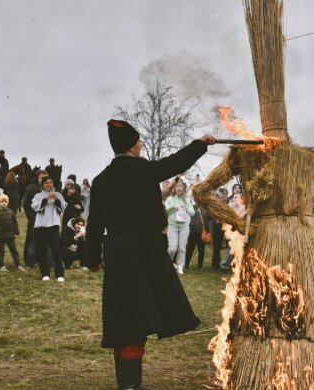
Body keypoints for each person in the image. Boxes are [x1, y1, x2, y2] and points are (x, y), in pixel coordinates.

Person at [84, 119, 212, 389]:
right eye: (139, 141)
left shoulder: (101, 180)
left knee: (124, 318)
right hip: (144, 252)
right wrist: (202, 143)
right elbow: (177, 162)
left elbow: (94, 224)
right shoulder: (142, 170)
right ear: (132, 145)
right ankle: (130, 385)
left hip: (117, 254)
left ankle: (127, 384)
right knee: (134, 320)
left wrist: (93, 259)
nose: (141, 145)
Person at [31, 176, 67, 282]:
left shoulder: (58, 194)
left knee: (56, 250)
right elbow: (35, 207)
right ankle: (45, 273)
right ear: (42, 185)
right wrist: (46, 199)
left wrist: (56, 199)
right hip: (41, 226)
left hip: (53, 226)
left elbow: (63, 207)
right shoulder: (38, 195)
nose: (48, 184)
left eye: (50, 182)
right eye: (46, 183)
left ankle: (59, 274)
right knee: (42, 250)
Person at [165, 180, 195, 275]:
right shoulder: (170, 198)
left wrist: (185, 205)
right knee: (172, 248)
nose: (179, 187)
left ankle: (180, 266)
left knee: (182, 248)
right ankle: (166, 264)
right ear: (175, 188)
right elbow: (165, 209)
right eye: (177, 186)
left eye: (181, 186)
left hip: (184, 226)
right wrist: (173, 206)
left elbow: (192, 213)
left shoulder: (186, 200)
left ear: (183, 189)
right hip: (172, 226)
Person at [0, 194, 23, 272]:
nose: (4, 203)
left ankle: (18, 264)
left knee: (14, 250)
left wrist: (16, 232)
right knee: (0, 251)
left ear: (8, 202)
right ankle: (1, 265)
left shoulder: (11, 212)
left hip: (10, 236)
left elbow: (15, 223)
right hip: (0, 236)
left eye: (5, 201)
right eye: (2, 201)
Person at [23, 169, 48, 268]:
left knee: (43, 240)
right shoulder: (31, 188)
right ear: (37, 177)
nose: (43, 180)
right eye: (42, 178)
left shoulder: (47, 189)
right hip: (34, 218)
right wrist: (32, 216)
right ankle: (30, 262)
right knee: (31, 240)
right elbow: (26, 204)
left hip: (45, 220)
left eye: (45, 178)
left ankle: (41, 260)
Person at [184, 203, 211, 269]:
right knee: (190, 249)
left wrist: (208, 231)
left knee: (201, 250)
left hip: (202, 233)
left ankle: (200, 266)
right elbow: (187, 216)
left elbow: (210, 219)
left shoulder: (207, 208)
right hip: (192, 231)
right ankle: (186, 265)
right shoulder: (193, 207)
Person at [211, 188, 228, 270]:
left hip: (228, 227)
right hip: (218, 226)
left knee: (230, 246)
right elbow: (211, 214)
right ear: (219, 194)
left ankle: (228, 264)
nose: (225, 195)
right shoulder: (215, 204)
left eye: (226, 194)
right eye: (223, 194)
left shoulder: (229, 204)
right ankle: (215, 264)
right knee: (216, 246)